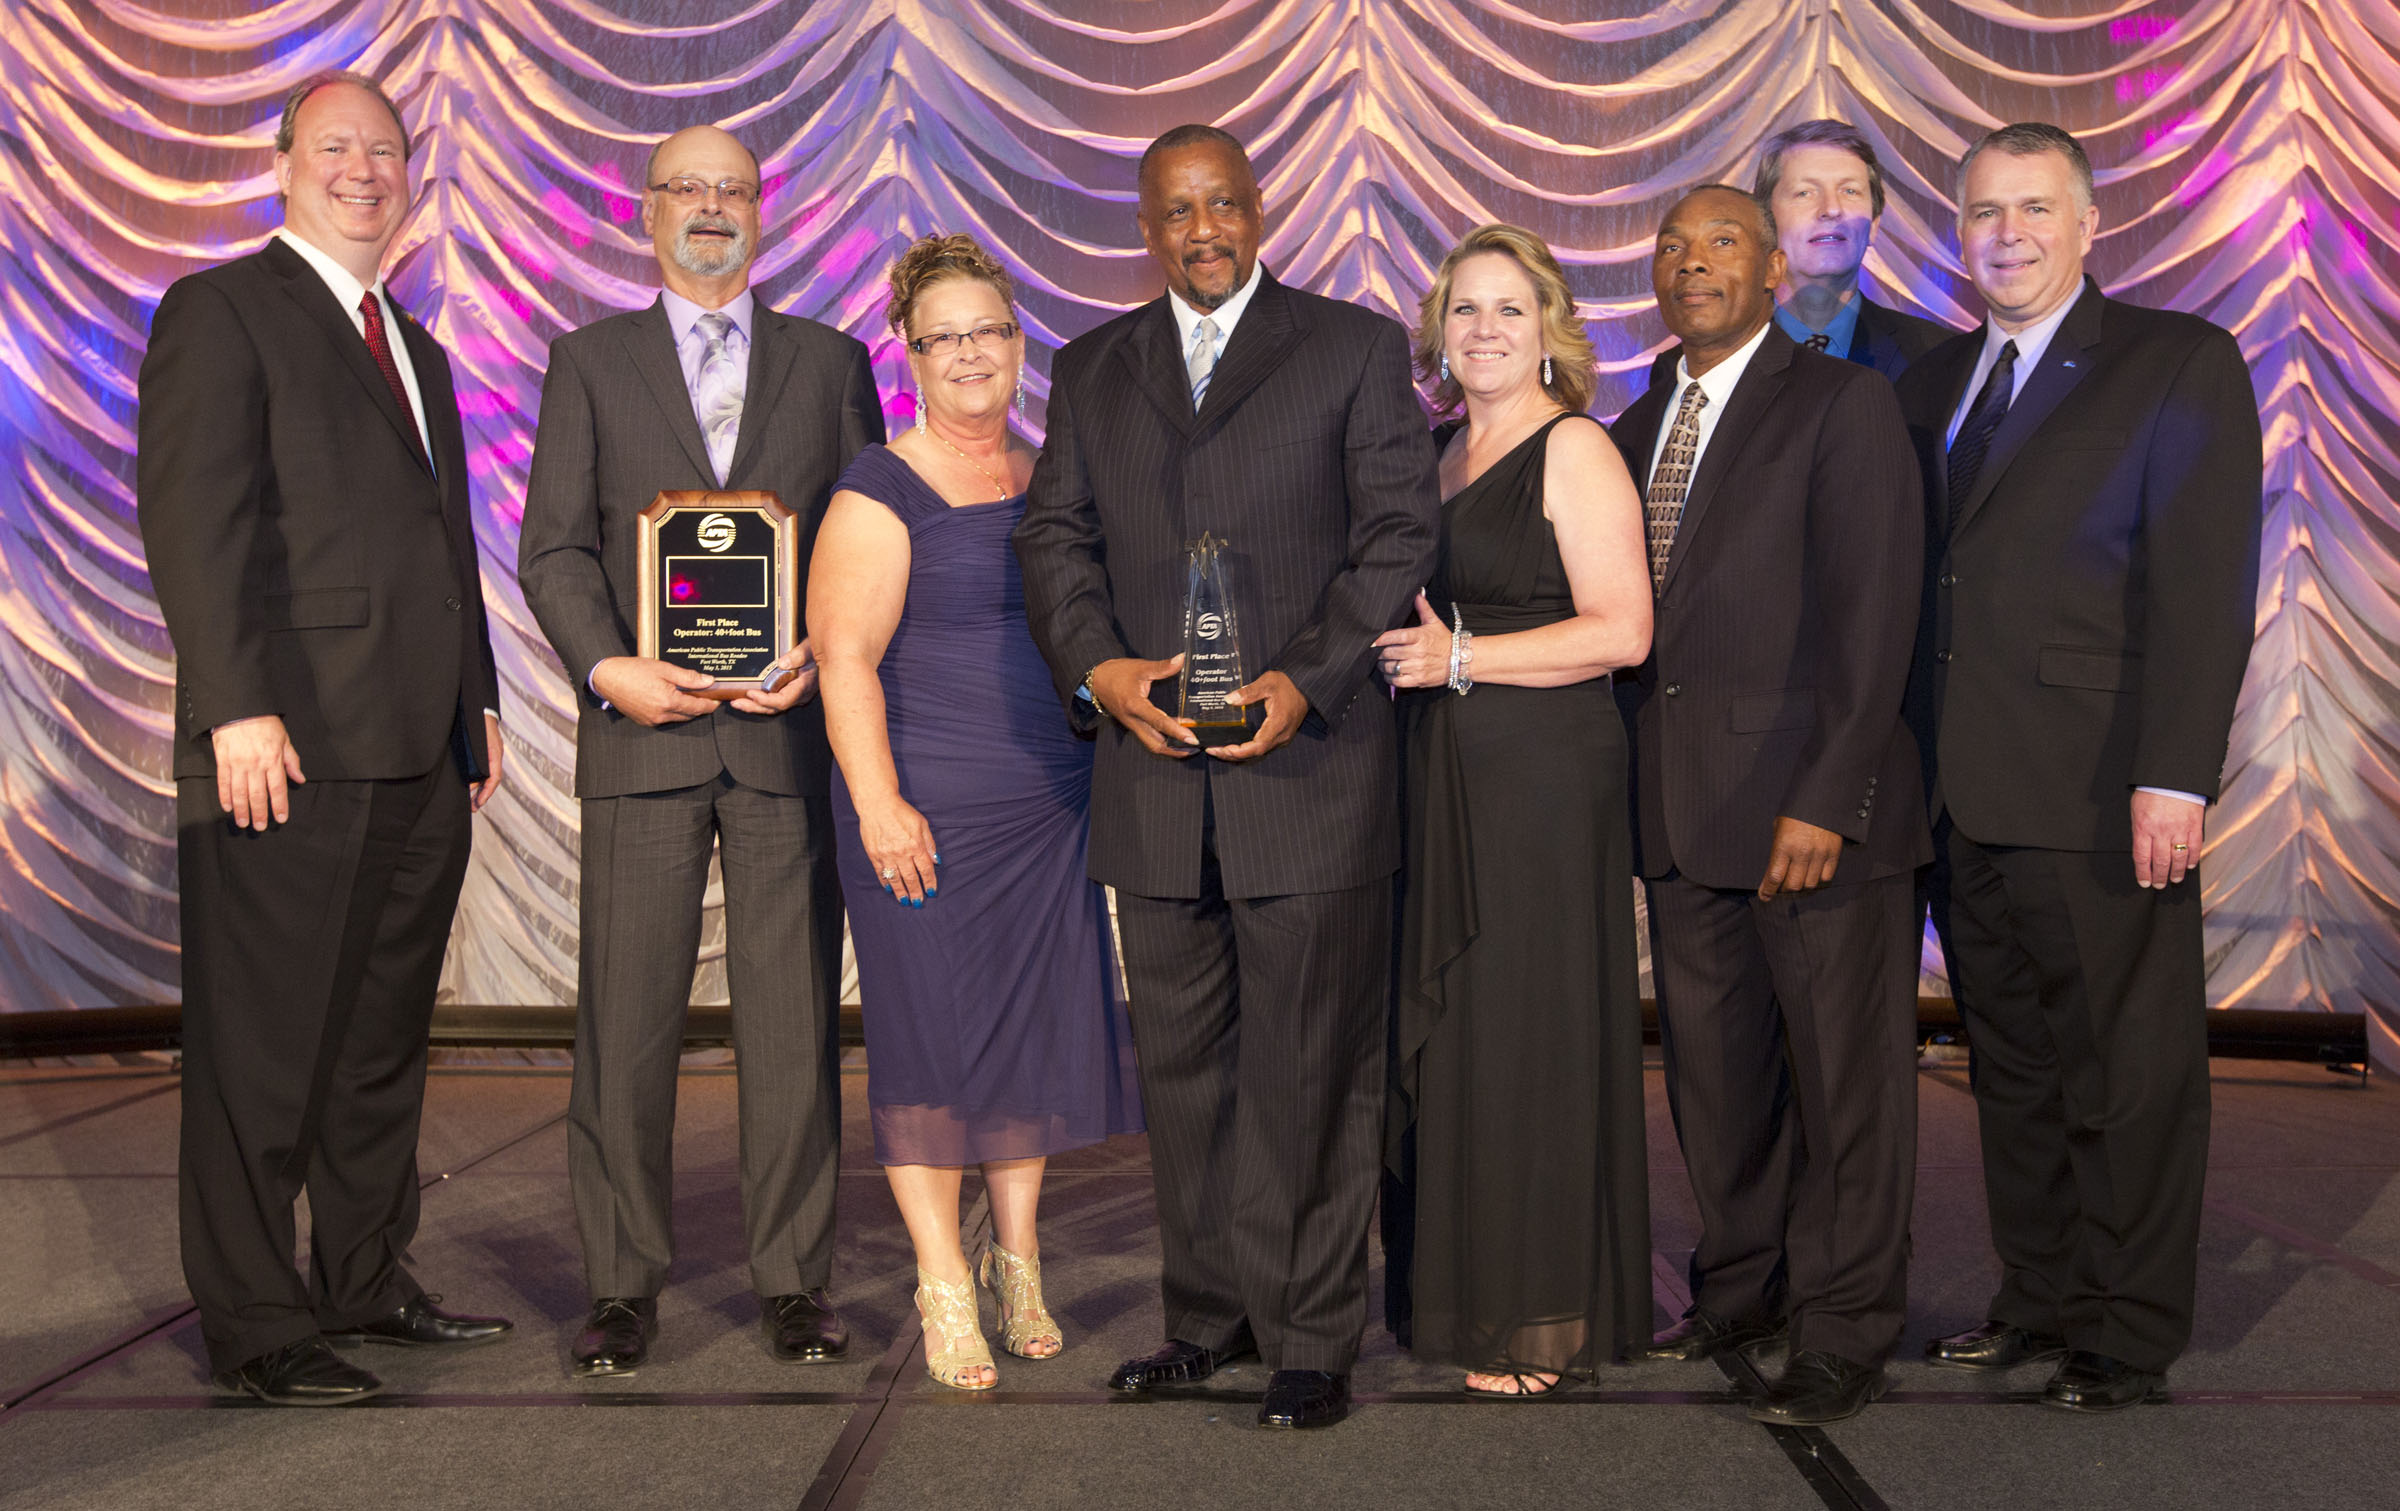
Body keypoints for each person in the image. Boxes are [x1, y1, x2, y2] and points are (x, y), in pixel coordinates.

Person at [1013, 124, 1439, 1431]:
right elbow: (1053, 539)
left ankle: (1312, 1333)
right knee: (1187, 1070)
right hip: (1155, 785)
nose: (1202, 228)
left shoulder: (1355, 348)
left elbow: (1395, 534)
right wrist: (1102, 672)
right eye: (1174, 211)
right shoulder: (1091, 366)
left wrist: (1307, 677)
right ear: (1145, 227)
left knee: (1313, 1063)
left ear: (1260, 209)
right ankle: (1208, 1317)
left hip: (1307, 767)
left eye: (1223, 203)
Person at [137, 70, 512, 1405]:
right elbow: (196, 522)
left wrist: (476, 704)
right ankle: (255, 1316)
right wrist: (232, 703)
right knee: (264, 1040)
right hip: (282, 740)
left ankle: (363, 1273)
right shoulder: (221, 309)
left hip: (419, 747)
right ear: (282, 163)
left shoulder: (418, 345)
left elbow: (444, 548)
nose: (366, 168)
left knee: (377, 1036)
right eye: (336, 146)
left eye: (386, 149)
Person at [1895, 123, 2260, 1412]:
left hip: (2105, 789)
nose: (2007, 234)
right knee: (2017, 1069)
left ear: (2088, 223)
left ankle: (2126, 1324)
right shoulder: (1932, 379)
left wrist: (2179, 774)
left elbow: (2207, 588)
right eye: (1984, 212)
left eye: (2033, 209)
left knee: (2128, 1067)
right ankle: (2037, 1298)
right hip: (1958, 792)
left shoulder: (2176, 362)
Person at [518, 124, 881, 1378]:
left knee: (791, 1025)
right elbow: (554, 547)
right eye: (689, 187)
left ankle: (795, 1280)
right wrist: (610, 667)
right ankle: (620, 1286)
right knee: (624, 1022)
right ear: (646, 210)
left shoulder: (833, 364)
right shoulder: (589, 362)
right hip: (642, 736)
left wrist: (825, 656)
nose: (712, 207)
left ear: (763, 208)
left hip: (786, 740)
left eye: (735, 185)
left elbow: (860, 543)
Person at [1611, 185, 1928, 1426]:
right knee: (1718, 1078)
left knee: (1848, 1087)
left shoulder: (1844, 404)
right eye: (1673, 247)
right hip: (1684, 816)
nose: (1694, 263)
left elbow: (1874, 611)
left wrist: (1829, 795)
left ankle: (1846, 1327)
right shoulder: (1640, 422)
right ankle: (1742, 1286)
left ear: (1779, 267)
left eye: (1723, 242)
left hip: (1809, 814)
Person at [809, 234, 1142, 1391]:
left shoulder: (1055, 474)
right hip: (924, 807)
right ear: (909, 351)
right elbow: (843, 659)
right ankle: (943, 1278)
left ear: (1018, 344)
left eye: (988, 331)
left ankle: (1021, 1259)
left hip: (1047, 800)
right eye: (943, 334)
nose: (969, 352)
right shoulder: (878, 485)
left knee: (1028, 1032)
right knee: (932, 1040)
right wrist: (881, 802)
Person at [1371, 225, 1653, 1398]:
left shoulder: (1575, 446)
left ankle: (1541, 1315)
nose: (1484, 329)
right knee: (1465, 1043)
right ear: (1439, 329)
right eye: (1465, 309)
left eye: (1508, 309)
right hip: (1439, 772)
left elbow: (1623, 631)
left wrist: (1465, 659)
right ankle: (1465, 1291)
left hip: (1538, 779)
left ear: (1549, 329)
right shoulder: (1434, 450)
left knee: (1528, 1037)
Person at [1753, 119, 1955, 379]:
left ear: (1873, 225)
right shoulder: (1721, 355)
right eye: (1804, 193)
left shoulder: (1937, 357)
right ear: (1765, 222)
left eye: (1850, 191)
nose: (1832, 209)